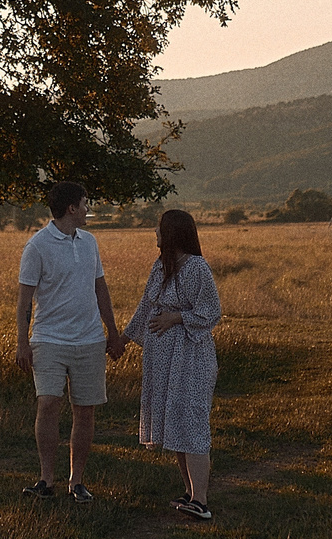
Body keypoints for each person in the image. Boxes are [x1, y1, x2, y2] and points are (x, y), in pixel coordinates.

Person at [16, 180, 127, 501]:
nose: (89, 208)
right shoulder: (37, 246)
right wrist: (22, 344)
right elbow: (24, 302)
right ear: (71, 208)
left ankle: (76, 481)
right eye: (86, 202)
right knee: (48, 403)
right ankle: (46, 480)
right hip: (48, 340)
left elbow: (100, 289)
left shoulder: (90, 242)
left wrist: (113, 332)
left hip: (90, 340)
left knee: (85, 411)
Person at [125, 208, 224, 520]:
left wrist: (177, 317)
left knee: (192, 422)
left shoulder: (197, 268)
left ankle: (202, 502)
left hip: (190, 358)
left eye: (158, 228)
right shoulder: (161, 266)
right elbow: (145, 306)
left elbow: (212, 312)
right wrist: (122, 340)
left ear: (172, 234)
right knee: (176, 422)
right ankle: (190, 493)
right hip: (163, 360)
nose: (154, 233)